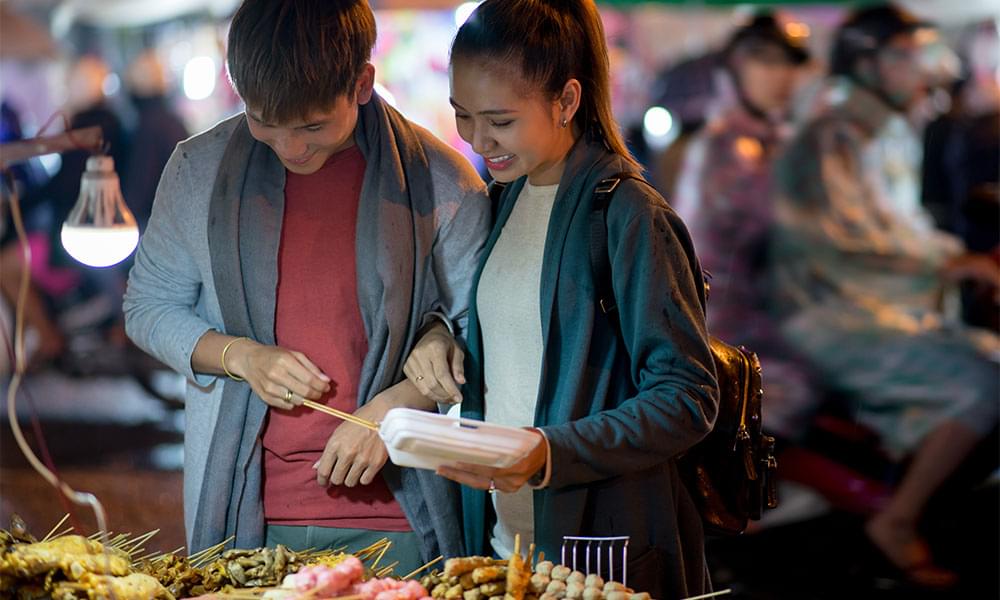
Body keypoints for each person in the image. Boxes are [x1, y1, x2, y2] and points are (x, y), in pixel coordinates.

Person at [122, 0, 490, 570]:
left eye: (313, 125)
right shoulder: (200, 169)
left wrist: (395, 409)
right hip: (249, 515)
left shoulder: (441, 182)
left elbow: (481, 337)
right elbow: (148, 306)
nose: (292, 148)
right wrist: (241, 356)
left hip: (401, 518)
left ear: (363, 82)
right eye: (264, 121)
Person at [403, 1, 719, 597]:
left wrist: (548, 451)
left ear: (567, 101)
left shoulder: (628, 216)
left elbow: (688, 396)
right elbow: (496, 328)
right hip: (502, 546)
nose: (477, 138)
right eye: (462, 115)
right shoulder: (499, 201)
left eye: (499, 119)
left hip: (595, 555)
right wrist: (440, 333)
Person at [769, 4, 999, 588]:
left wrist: (958, 258)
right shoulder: (833, 135)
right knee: (983, 381)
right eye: (904, 56)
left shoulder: (886, 132)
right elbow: (848, 245)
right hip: (828, 313)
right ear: (865, 62)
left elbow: (905, 227)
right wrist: (953, 262)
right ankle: (897, 521)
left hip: (880, 306)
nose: (920, 70)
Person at [673, 13, 819, 441]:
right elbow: (789, 231)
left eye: (790, 63)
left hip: (772, 308)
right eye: (764, 61)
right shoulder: (725, 146)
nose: (782, 75)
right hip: (728, 323)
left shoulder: (772, 139)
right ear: (734, 68)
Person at [121, 50, 189, 232]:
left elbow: (142, 181)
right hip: (178, 220)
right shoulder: (171, 120)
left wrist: (124, 219)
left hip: (156, 224)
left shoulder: (148, 125)